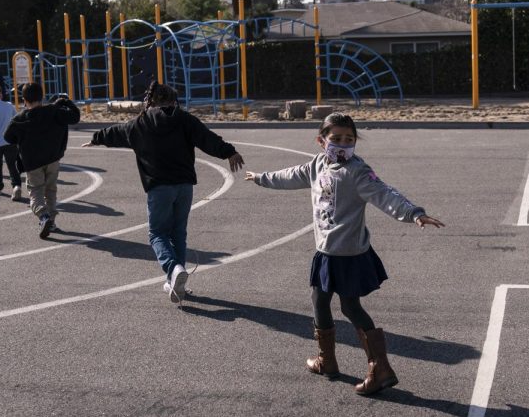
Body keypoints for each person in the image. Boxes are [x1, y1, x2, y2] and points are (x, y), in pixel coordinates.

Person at [245, 113, 444, 396]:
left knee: (349, 307)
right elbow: (292, 175)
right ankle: (328, 361)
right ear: (321, 141)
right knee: (320, 300)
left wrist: (414, 214)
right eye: (335, 139)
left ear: (355, 143)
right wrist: (262, 178)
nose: (342, 144)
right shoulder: (318, 165)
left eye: (348, 140)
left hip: (347, 253)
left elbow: (385, 194)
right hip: (327, 250)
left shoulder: (357, 172)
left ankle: (380, 367)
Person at [82, 82, 245, 302]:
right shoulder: (184, 119)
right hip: (184, 186)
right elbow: (206, 138)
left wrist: (96, 139)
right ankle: (177, 284)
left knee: (157, 234)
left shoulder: (140, 124)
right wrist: (229, 152)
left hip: (159, 188)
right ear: (172, 100)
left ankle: (173, 269)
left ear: (151, 101)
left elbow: (116, 132)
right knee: (178, 233)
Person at [3, 82, 80, 239]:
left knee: (35, 191)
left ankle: (43, 216)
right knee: (50, 189)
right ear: (42, 97)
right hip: (53, 158)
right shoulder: (54, 111)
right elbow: (75, 117)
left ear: (24, 100)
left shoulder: (19, 119)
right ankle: (51, 220)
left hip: (32, 162)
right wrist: (65, 101)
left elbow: (8, 137)